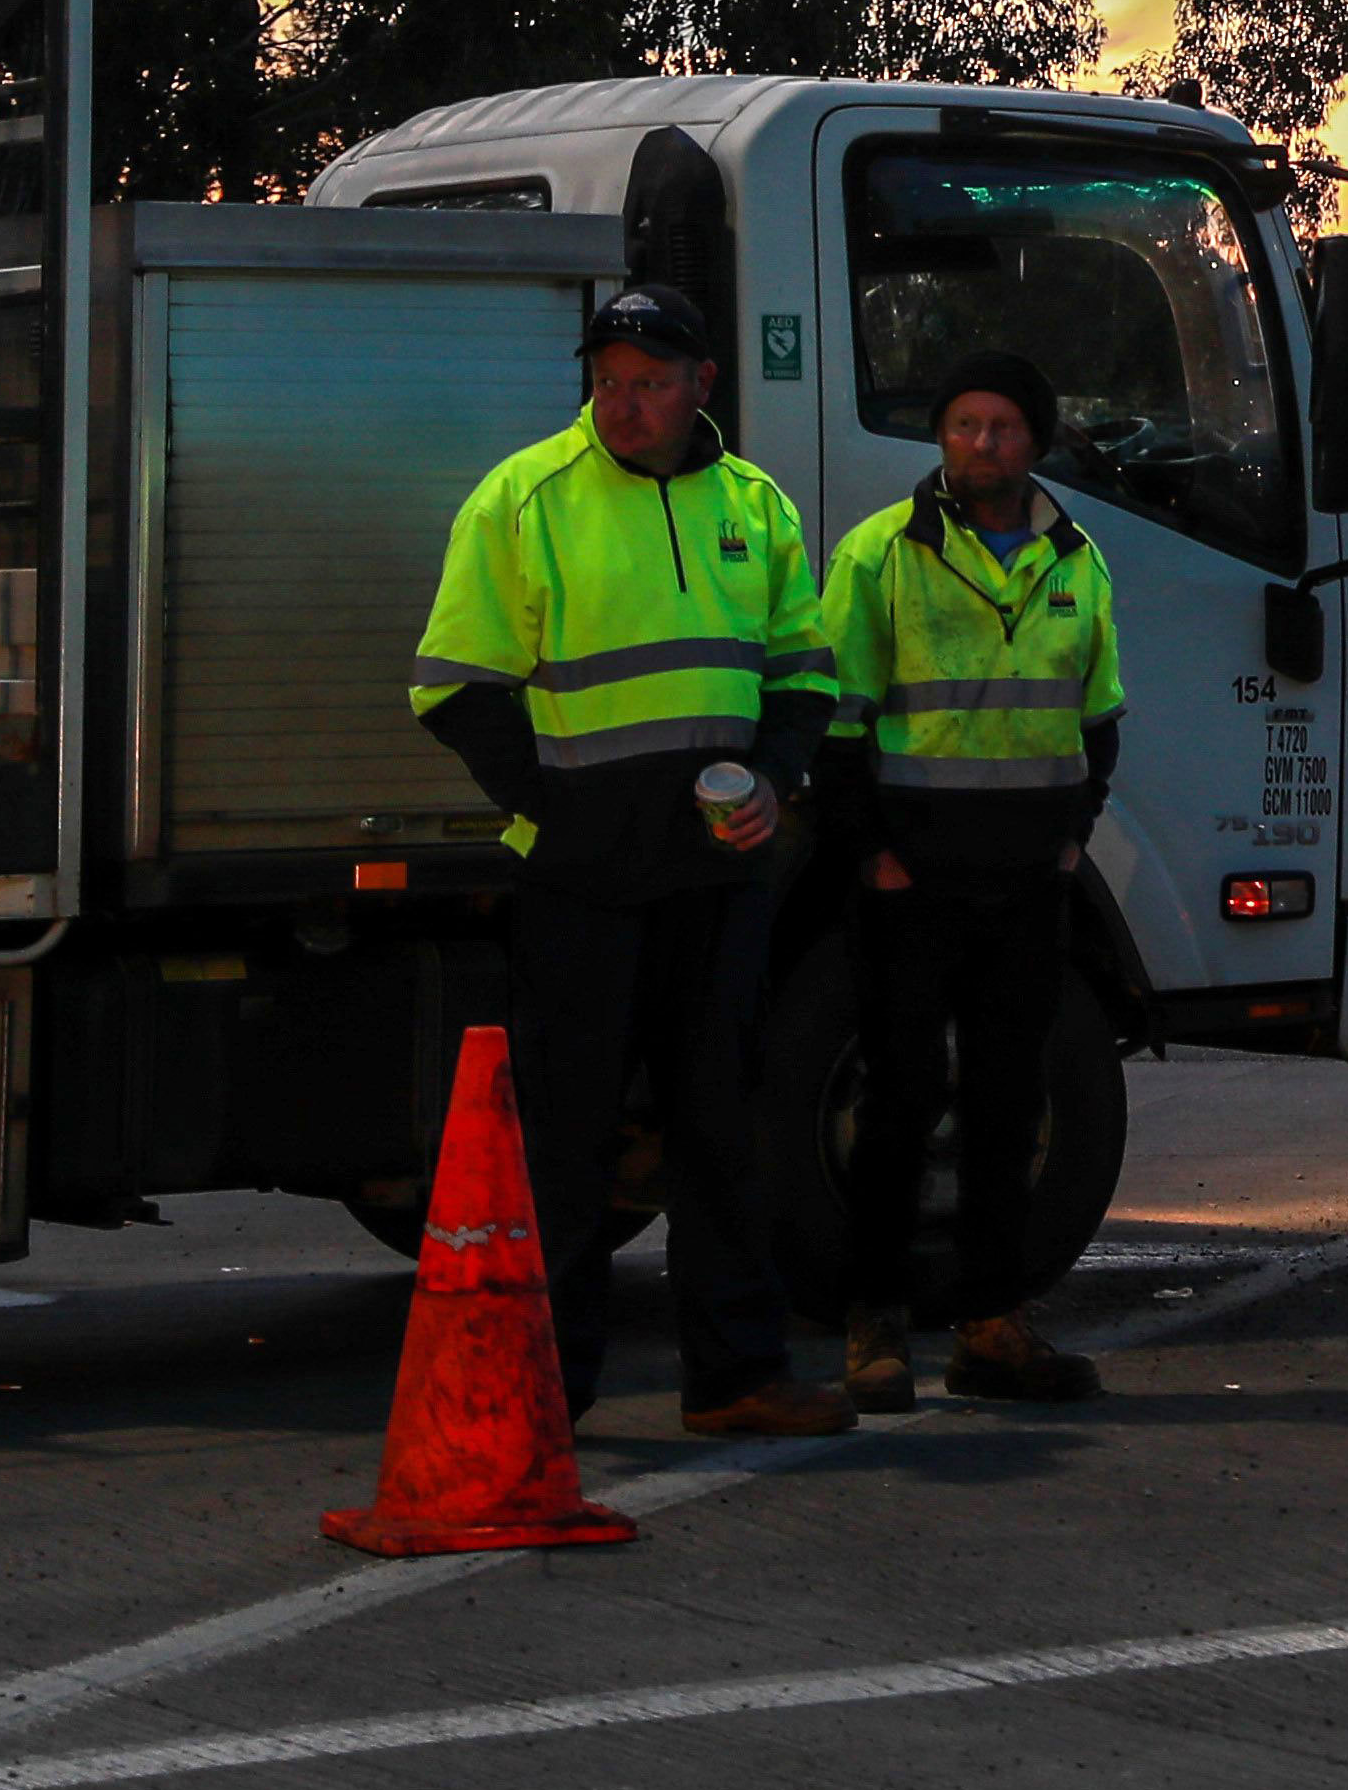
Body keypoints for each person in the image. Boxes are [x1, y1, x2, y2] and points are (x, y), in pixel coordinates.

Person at [408, 282, 851, 1438]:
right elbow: (454, 688)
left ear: (702, 386)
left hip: (716, 878)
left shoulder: (754, 504)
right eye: (608, 381)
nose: (624, 404)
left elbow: (804, 677)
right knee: (568, 1149)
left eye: (649, 383)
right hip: (582, 886)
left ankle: (738, 1380)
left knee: (722, 1133)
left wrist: (772, 779)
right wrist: (556, 820)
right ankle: (548, 1399)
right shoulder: (524, 497)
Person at [812, 349, 1121, 1413]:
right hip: (912, 882)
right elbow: (836, 720)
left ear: (1036, 441)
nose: (980, 443)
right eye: (961, 426)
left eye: (1000, 427)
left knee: (1006, 1109)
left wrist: (1075, 836)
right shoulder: (879, 555)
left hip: (1030, 884)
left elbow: (1100, 715)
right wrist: (873, 856)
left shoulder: (1079, 560)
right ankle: (876, 1329)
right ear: (939, 440)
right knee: (898, 1108)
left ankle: (990, 1327)